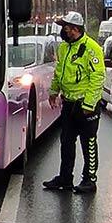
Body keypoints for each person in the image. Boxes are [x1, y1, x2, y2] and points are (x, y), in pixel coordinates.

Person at [43, 11, 105, 194]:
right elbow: (59, 72)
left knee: (89, 144)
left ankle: (89, 180)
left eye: (66, 27)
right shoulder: (64, 48)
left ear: (75, 29)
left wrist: (89, 104)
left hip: (86, 106)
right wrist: (54, 91)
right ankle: (65, 178)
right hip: (69, 103)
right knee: (66, 142)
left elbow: (97, 77)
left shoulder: (91, 48)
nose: (63, 30)